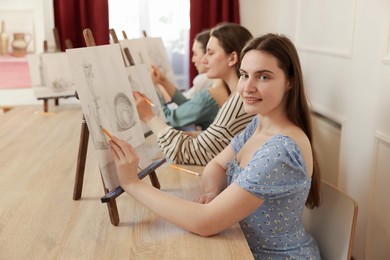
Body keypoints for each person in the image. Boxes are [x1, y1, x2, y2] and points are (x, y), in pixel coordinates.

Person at [109, 33, 322, 259]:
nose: (247, 87)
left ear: (290, 81)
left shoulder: (281, 150)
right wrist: (212, 193)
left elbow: (205, 222)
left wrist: (132, 184)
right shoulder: (258, 124)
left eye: (263, 77)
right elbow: (217, 164)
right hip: (241, 247)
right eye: (244, 75)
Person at [134, 22, 254, 165]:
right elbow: (227, 140)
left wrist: (148, 116)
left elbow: (190, 153)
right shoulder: (238, 97)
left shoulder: (239, 100)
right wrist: (199, 136)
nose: (203, 59)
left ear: (232, 58)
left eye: (210, 53)